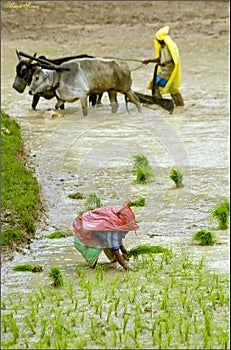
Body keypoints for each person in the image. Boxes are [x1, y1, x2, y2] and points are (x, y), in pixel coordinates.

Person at [143, 26, 184, 106]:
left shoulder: (171, 46)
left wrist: (166, 63)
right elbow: (159, 59)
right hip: (163, 71)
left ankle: (180, 105)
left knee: (174, 92)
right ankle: (159, 102)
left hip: (170, 72)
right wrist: (149, 61)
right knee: (153, 84)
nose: (158, 42)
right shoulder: (162, 48)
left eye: (159, 40)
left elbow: (175, 59)